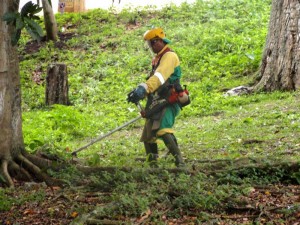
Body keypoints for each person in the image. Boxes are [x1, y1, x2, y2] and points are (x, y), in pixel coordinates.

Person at [127, 27, 189, 168]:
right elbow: (152, 79)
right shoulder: (157, 58)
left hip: (169, 99)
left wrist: (145, 88)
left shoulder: (169, 56)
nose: (151, 47)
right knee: (148, 134)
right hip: (158, 99)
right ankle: (153, 165)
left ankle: (180, 162)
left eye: (152, 43)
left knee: (163, 128)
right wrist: (139, 92)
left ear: (159, 41)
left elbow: (159, 77)